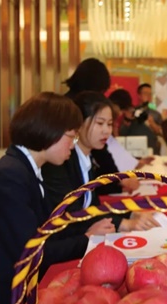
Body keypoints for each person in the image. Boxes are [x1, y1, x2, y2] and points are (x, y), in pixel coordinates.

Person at [0, 93, 88, 304]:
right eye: (72, 136)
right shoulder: (10, 176)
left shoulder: (24, 169)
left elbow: (46, 233)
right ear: (50, 131)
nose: (73, 145)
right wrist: (86, 242)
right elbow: (32, 251)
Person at [41, 91, 159, 233]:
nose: (106, 131)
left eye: (109, 124)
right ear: (79, 123)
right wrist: (124, 224)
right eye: (100, 123)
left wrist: (130, 214)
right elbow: (72, 214)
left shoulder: (87, 158)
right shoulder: (61, 161)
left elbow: (93, 208)